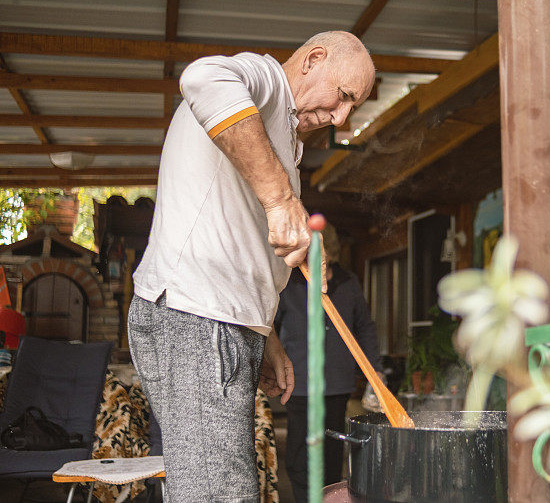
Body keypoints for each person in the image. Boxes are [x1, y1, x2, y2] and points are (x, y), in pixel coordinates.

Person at [127, 31, 375, 503]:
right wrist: (281, 198)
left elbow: (241, 245)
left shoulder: (280, 138)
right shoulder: (264, 81)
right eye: (343, 96)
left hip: (225, 321)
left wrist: (268, 337)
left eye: (352, 108)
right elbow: (202, 77)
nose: (341, 118)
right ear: (313, 59)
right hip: (196, 315)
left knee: (226, 484)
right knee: (217, 494)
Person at [274, 224, 383, 502]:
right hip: (299, 383)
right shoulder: (288, 282)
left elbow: (365, 327)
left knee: (332, 452)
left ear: (332, 251)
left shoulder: (348, 282)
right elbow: (270, 328)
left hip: (336, 382)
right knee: (300, 453)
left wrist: (375, 372)